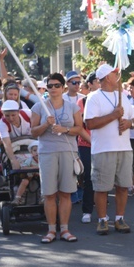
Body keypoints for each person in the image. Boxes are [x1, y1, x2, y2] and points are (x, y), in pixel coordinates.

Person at [84, 63, 134, 235]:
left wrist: (129, 123)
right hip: (103, 150)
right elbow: (90, 123)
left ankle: (119, 218)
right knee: (102, 187)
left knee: (123, 186)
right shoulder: (94, 97)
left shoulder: (122, 96)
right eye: (116, 74)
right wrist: (113, 116)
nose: (118, 77)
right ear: (108, 77)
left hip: (124, 149)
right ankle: (102, 219)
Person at [31, 73, 83, 244]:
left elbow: (79, 129)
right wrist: (46, 124)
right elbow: (33, 132)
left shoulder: (72, 107)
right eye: (50, 86)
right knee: (49, 194)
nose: (53, 89)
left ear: (63, 87)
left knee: (66, 193)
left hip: (68, 152)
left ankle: (65, 229)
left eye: (56, 85)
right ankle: (51, 230)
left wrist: (65, 129)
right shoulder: (39, 107)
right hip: (47, 152)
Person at [76, 72, 98, 224]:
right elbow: (79, 128)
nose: (100, 84)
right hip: (86, 144)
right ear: (89, 84)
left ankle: (102, 211)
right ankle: (87, 210)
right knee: (89, 178)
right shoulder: (82, 102)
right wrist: (92, 141)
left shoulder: (110, 100)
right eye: (97, 81)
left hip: (104, 145)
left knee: (102, 178)